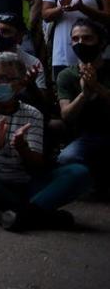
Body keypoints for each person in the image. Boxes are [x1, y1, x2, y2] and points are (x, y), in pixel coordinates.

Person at [0, 54, 93, 231]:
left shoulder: (32, 114)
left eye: (3, 79)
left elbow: (36, 165)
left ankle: (18, 214)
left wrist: (22, 147)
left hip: (22, 186)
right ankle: (35, 213)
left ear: (19, 84)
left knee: (79, 173)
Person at [55, 20, 110, 190]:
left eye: (87, 38)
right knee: (66, 159)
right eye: (76, 39)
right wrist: (84, 95)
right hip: (86, 137)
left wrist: (97, 87)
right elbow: (66, 115)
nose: (80, 43)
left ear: (101, 42)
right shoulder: (66, 75)